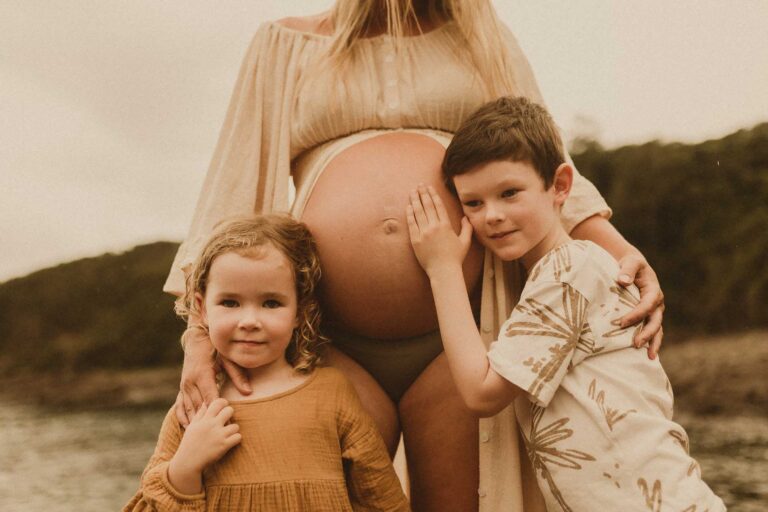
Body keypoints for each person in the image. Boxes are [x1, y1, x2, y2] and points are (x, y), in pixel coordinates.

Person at [166, 1, 666, 509]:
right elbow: (232, 189)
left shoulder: (484, 38)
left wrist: (623, 253)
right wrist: (198, 336)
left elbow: (546, 168)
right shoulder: (284, 44)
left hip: (466, 334)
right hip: (326, 339)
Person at [406, 96, 725, 512]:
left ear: (559, 186)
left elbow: (482, 393)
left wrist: (442, 269)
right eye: (473, 203)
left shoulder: (569, 269)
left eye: (509, 193)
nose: (492, 216)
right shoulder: (561, 273)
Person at [125, 215, 410, 511]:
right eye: (230, 303)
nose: (250, 321)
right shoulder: (194, 408)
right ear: (202, 309)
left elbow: (384, 500)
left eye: (271, 303)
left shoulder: (332, 393)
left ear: (299, 311)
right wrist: (184, 468)